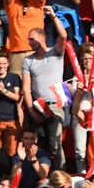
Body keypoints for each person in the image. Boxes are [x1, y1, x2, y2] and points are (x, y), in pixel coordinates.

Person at [21, 11, 68, 170]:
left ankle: (60, 175)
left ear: (42, 39)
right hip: (37, 107)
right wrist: (30, 110)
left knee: (56, 144)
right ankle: (40, 175)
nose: (29, 43)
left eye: (32, 39)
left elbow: (63, 36)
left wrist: (53, 16)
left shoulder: (56, 53)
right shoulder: (28, 60)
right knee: (37, 145)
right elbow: (26, 89)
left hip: (56, 106)